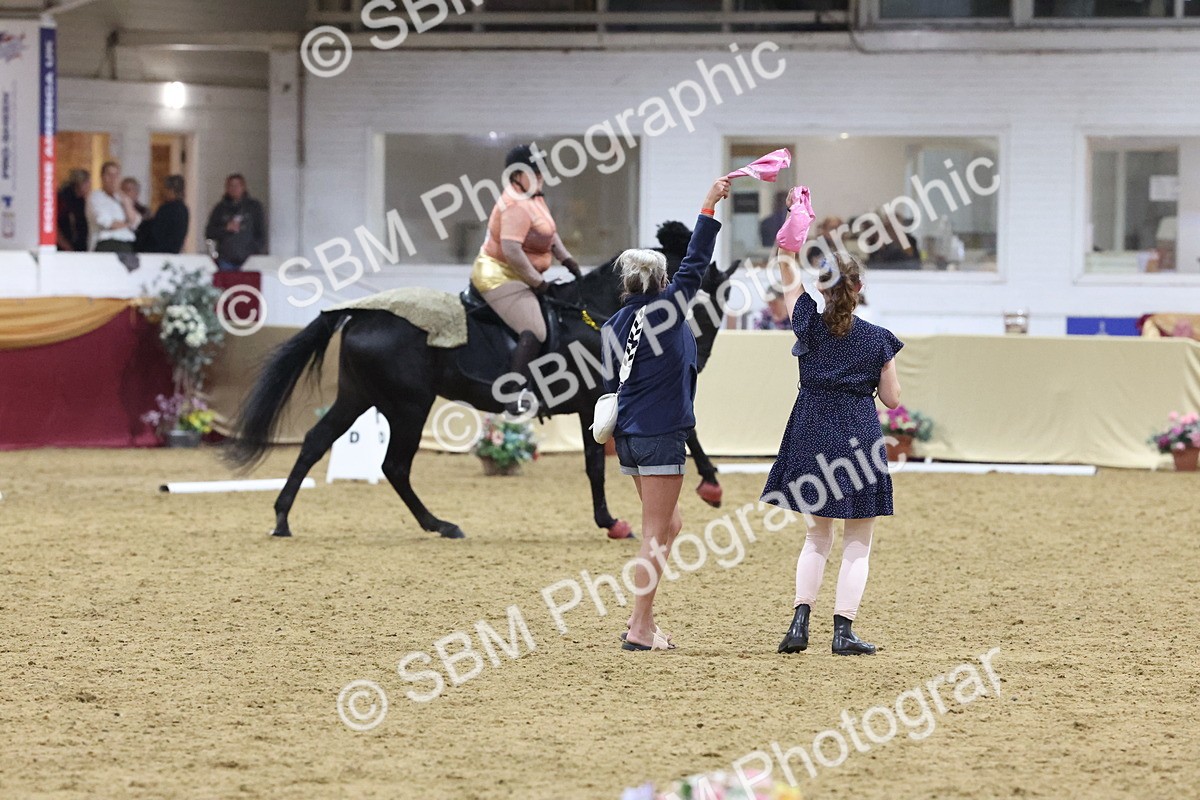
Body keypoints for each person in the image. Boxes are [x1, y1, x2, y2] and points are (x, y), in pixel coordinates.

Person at [603, 176, 731, 651]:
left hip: (632, 438)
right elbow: (697, 261)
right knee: (656, 533)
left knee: (670, 524)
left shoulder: (615, 325)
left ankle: (646, 621)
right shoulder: (668, 309)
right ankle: (638, 628)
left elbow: (607, 382)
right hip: (660, 434)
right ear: (661, 281)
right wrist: (707, 205)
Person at [761, 249, 903, 656]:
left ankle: (799, 624)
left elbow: (788, 275)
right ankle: (843, 630)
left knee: (816, 536)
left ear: (821, 287)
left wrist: (790, 238)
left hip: (810, 431)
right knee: (858, 542)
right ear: (859, 288)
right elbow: (892, 400)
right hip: (857, 435)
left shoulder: (806, 323)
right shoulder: (878, 339)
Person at [470, 145, 581, 415]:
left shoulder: (534, 198)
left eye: (541, 170)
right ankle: (512, 393)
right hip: (499, 275)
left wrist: (568, 260)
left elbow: (549, 233)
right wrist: (537, 282)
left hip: (522, 275)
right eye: (535, 171)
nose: (541, 175)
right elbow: (511, 251)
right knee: (536, 330)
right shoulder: (515, 205)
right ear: (517, 175)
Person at [205, 173, 267, 271]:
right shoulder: (220, 209)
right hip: (226, 260)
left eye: (237, 186)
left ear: (243, 187)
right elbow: (209, 232)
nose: (234, 189)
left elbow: (261, 232)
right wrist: (226, 229)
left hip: (250, 260)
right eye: (231, 186)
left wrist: (255, 250)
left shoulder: (254, 207)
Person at [87, 161, 141, 253]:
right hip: (105, 243)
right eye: (109, 175)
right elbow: (107, 223)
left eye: (116, 175)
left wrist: (125, 199)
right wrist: (128, 225)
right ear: (102, 177)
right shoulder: (95, 197)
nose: (113, 179)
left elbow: (135, 221)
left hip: (126, 243)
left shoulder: (121, 198)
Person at [139, 175, 190, 254]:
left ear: (171, 190)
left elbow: (156, 232)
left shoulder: (166, 209)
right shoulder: (184, 209)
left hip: (158, 252)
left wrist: (145, 223)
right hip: (174, 251)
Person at [56, 169, 90, 252]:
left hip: (78, 246)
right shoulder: (63, 199)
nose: (89, 186)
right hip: (65, 247)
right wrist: (66, 246)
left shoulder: (82, 201)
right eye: (87, 183)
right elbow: (55, 226)